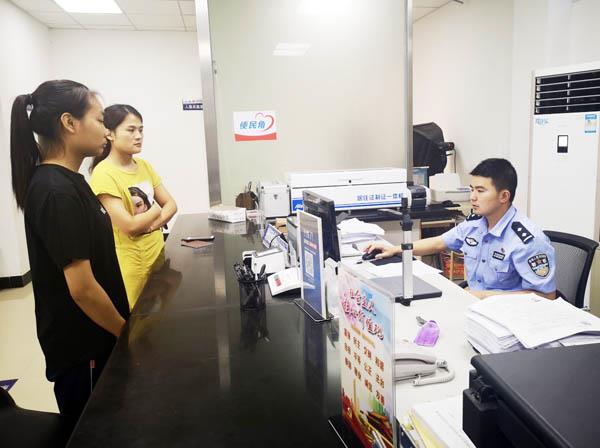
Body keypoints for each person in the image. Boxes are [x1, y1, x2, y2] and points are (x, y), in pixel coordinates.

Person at [10, 80, 130, 425]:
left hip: (98, 337)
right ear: (69, 122)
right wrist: (127, 336)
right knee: (95, 431)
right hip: (83, 348)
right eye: (100, 120)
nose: (106, 131)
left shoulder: (70, 181)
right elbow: (82, 288)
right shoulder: (55, 191)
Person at [366, 158, 557, 299]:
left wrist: (482, 296)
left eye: (480, 191)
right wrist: (397, 249)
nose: (472, 197)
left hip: (508, 317)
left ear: (504, 196)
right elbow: (439, 242)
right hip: (474, 307)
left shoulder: (528, 240)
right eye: (471, 189)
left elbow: (546, 297)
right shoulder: (475, 223)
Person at [89, 104, 177, 308]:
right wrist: (155, 210)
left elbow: (172, 204)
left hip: (156, 252)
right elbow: (129, 226)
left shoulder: (144, 166)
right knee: (139, 319)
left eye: (141, 130)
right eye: (130, 130)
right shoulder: (104, 173)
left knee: (160, 314)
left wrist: (151, 225)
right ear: (109, 134)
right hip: (132, 263)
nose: (138, 136)